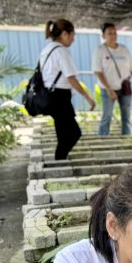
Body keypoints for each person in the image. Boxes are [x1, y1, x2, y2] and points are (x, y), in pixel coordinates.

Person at [39, 19, 96, 160]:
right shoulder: (61, 51)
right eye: (72, 35)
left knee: (63, 133)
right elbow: (71, 78)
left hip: (50, 95)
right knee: (74, 133)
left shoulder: (47, 49)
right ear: (64, 34)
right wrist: (88, 97)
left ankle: (60, 160)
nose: (73, 39)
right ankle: (59, 159)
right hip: (59, 97)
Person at [92, 22, 132, 136]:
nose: (113, 35)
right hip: (107, 89)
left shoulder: (124, 49)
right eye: (109, 33)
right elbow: (98, 71)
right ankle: (103, 139)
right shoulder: (100, 50)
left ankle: (127, 139)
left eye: (114, 33)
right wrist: (109, 89)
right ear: (103, 36)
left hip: (124, 87)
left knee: (127, 116)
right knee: (107, 116)